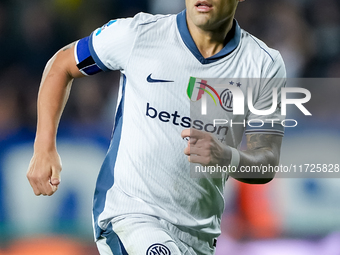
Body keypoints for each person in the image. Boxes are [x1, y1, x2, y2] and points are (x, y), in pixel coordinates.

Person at [27, 0, 286, 254]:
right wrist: (43, 148)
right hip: (130, 216)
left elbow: (266, 162)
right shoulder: (138, 34)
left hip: (200, 237)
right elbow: (61, 65)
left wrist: (226, 157)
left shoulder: (264, 64)